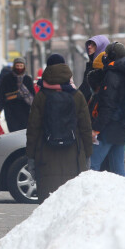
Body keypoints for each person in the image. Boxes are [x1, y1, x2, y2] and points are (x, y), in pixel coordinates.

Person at [26, 54, 92, 203]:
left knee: (49, 207)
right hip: (74, 155)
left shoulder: (41, 96)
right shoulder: (77, 95)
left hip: (45, 157)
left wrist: (31, 156)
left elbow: (33, 129)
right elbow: (86, 128)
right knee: (70, 207)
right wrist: (87, 154)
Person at [90, 42, 125, 176]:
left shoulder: (112, 75)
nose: (104, 56)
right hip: (122, 125)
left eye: (106, 53)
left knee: (92, 166)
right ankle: (121, 196)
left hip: (109, 127)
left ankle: (90, 195)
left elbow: (108, 105)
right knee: (118, 168)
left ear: (112, 55)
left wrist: (96, 129)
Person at [0, 57, 35, 132]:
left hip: (25, 112)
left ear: (24, 67)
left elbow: (33, 96)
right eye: (17, 66)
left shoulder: (28, 79)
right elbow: (1, 94)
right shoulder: (6, 79)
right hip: (11, 111)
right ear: (14, 66)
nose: (19, 68)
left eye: (21, 66)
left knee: (24, 132)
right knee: (13, 131)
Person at [78, 35, 110, 103]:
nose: (89, 47)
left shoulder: (102, 69)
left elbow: (86, 91)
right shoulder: (91, 66)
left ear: (102, 47)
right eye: (89, 44)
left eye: (93, 45)